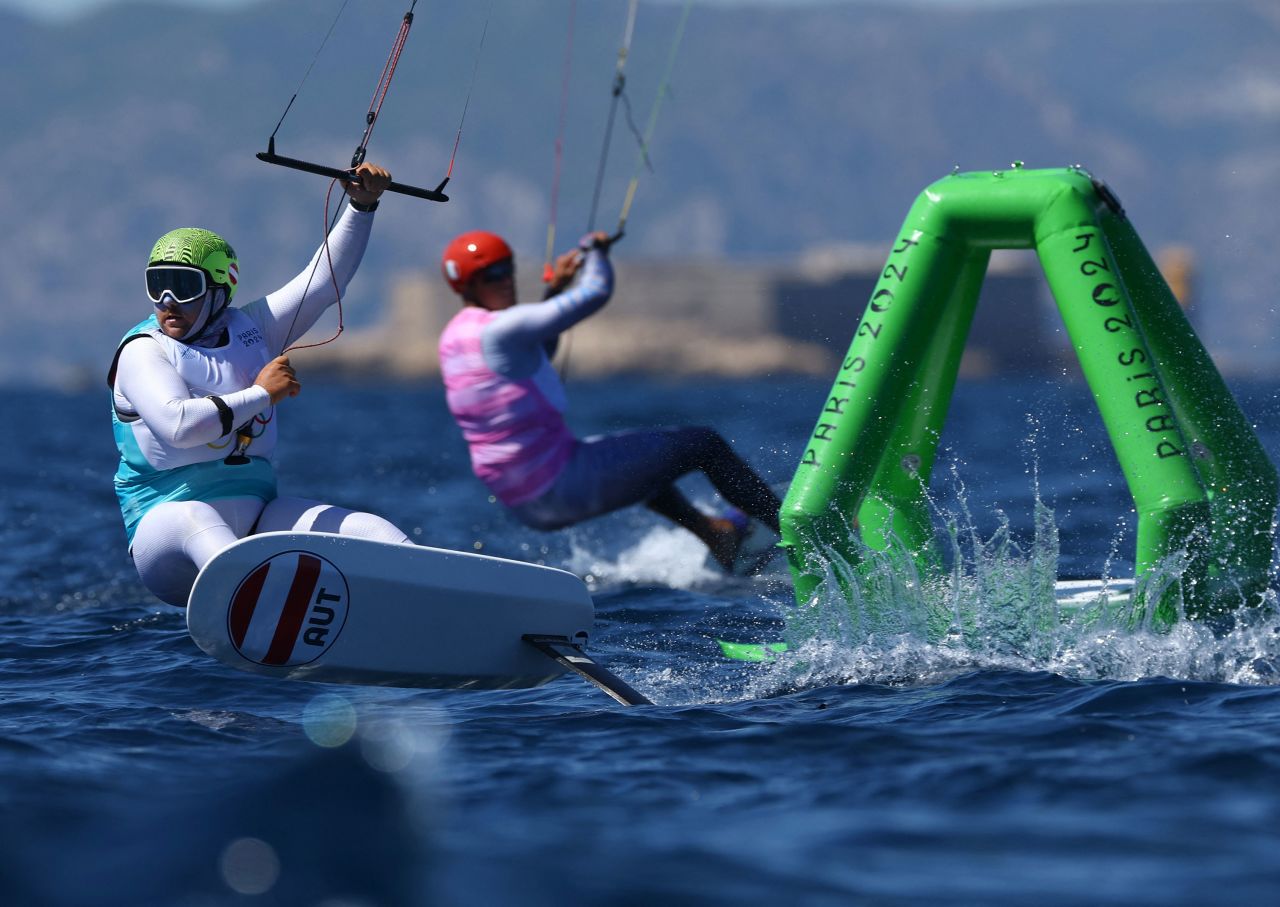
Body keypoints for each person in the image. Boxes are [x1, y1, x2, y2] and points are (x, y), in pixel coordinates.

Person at [109, 162, 412, 606]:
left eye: (183, 286)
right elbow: (179, 427)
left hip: (257, 523)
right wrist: (261, 393)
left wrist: (362, 205)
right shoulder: (142, 351)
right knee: (197, 519)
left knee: (373, 531)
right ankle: (251, 605)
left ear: (219, 290)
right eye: (158, 286)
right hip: (169, 534)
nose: (168, 303)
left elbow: (323, 284)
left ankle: (446, 606)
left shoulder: (253, 328)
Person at [437, 229, 781, 571]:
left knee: (642, 458)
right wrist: (594, 250)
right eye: (492, 275)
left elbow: (538, 354)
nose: (506, 280)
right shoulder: (498, 329)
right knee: (704, 444)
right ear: (465, 285)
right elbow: (595, 292)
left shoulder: (453, 338)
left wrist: (555, 289)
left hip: (527, 505)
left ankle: (715, 535)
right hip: (562, 485)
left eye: (507, 268)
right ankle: (798, 535)